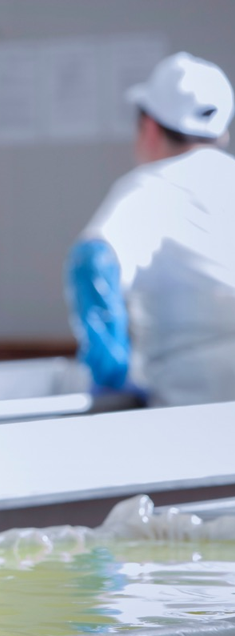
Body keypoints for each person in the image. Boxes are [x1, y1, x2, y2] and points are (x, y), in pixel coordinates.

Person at [66, 52, 235, 407]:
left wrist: (111, 373)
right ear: (221, 133)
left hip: (193, 399)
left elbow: (92, 260)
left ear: (150, 127)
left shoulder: (151, 188)